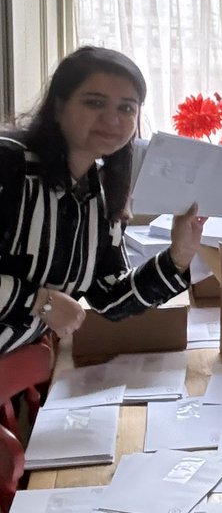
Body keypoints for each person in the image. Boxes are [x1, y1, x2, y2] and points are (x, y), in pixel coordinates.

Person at [0, 46, 203, 355]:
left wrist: (178, 256)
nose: (112, 119)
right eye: (94, 103)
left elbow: (110, 296)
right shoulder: (8, 163)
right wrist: (39, 301)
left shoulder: (100, 192)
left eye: (127, 108)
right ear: (58, 106)